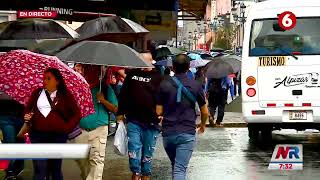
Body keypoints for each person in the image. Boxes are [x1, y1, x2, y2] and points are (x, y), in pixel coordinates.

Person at [156, 54, 209, 180]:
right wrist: (202, 124)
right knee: (180, 169)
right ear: (189, 67)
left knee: (176, 166)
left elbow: (158, 111)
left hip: (168, 134)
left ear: (173, 67)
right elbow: (204, 110)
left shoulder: (164, 84)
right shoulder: (195, 85)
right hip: (187, 132)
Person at [24, 68, 81, 180]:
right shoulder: (37, 93)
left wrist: (67, 128)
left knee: (55, 168)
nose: (45, 81)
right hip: (38, 136)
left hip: (57, 137)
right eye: (44, 78)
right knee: (40, 168)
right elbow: (27, 109)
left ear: (57, 81)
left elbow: (76, 114)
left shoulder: (65, 95)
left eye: (48, 78)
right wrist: (27, 116)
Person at [117, 51, 163, 180]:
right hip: (133, 120)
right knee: (134, 150)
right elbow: (123, 95)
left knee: (148, 154)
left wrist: (163, 114)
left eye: (145, 61)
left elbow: (163, 98)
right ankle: (135, 173)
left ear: (151, 61)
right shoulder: (132, 75)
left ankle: (145, 174)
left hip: (152, 122)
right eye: (140, 61)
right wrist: (120, 113)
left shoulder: (158, 77)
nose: (142, 65)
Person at [71, 64, 118, 180]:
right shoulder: (77, 87)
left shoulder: (105, 88)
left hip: (99, 129)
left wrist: (102, 100)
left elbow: (115, 109)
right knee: (82, 163)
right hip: (80, 130)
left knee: (97, 160)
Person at [0, 92, 24, 180]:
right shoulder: (5, 82)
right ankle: (10, 171)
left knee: (20, 144)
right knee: (10, 143)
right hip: (5, 117)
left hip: (22, 117)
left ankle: (18, 167)